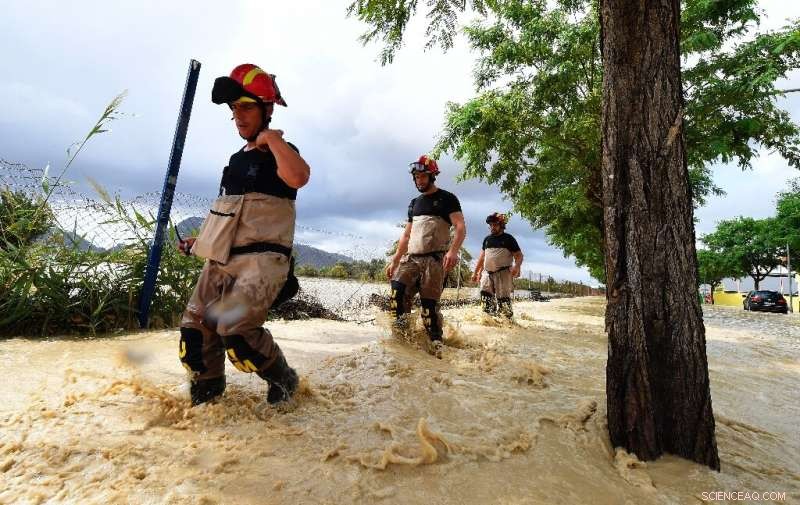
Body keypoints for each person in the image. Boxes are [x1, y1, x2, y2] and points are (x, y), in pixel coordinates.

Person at [176, 63, 310, 406]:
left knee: (234, 331)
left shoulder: (281, 151)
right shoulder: (235, 160)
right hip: (222, 260)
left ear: (267, 110)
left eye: (247, 107)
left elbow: (299, 177)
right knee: (194, 332)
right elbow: (230, 216)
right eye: (234, 108)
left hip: (261, 263)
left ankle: (284, 379)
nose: (238, 115)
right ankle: (207, 404)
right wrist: (199, 242)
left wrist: (273, 140)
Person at [385, 155, 466, 358]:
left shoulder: (447, 198)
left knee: (428, 308)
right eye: (415, 177)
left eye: (422, 176)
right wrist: (395, 260)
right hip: (411, 259)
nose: (418, 181)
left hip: (434, 261)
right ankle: (402, 339)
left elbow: (460, 227)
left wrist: (453, 251)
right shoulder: (414, 203)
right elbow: (406, 235)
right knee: (397, 292)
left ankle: (436, 345)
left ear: (432, 176)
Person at [471, 213, 523, 318]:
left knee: (503, 300)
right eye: (490, 225)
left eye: (495, 225)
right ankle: (489, 320)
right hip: (487, 273)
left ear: (501, 225)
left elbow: (519, 255)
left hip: (503, 273)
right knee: (485, 296)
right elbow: (482, 257)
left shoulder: (509, 239)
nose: (492, 227)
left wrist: (517, 267)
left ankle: (507, 322)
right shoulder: (487, 240)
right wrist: (475, 272)